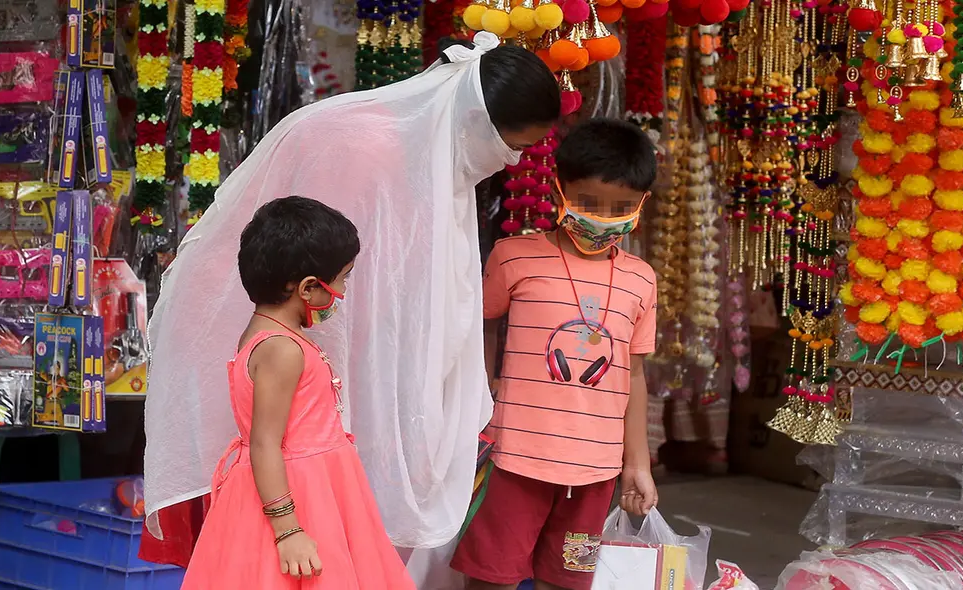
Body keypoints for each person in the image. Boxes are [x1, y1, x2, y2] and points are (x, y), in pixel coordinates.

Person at [143, 31, 560, 564]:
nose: (511, 164)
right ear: (479, 121)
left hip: (321, 386)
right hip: (292, 378)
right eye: (514, 147)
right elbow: (323, 286)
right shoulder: (358, 146)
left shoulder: (433, 156)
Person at [451, 119, 660, 590]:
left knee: (569, 578)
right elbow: (480, 325)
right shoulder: (513, 257)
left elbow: (636, 376)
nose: (604, 218)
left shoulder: (641, 279)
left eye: (621, 208)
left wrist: (637, 465)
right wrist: (485, 388)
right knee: (492, 576)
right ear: (559, 189)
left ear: (641, 204)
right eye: (588, 203)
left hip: (595, 474)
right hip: (514, 459)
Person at [180, 197, 415, 589]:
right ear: (307, 288)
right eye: (341, 278)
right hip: (303, 493)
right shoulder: (281, 349)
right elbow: (264, 444)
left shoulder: (271, 334)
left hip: (316, 484)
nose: (341, 290)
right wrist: (288, 530)